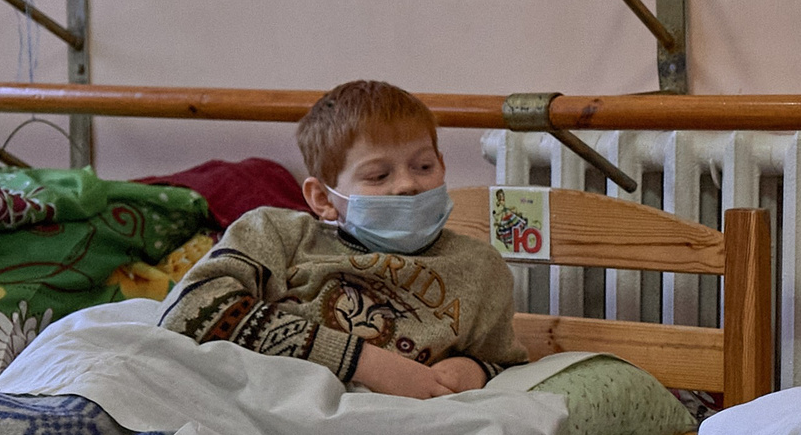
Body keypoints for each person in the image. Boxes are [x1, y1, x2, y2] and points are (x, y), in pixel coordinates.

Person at [159, 80, 526, 398]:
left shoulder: (480, 268)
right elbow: (188, 312)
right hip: (268, 407)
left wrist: (475, 371)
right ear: (323, 198)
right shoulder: (277, 234)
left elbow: (507, 366)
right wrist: (365, 363)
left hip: (390, 427)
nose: (408, 185)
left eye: (424, 166)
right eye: (378, 175)